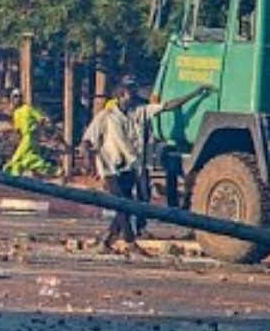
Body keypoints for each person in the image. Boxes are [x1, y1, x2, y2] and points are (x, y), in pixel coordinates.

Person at [80, 82, 209, 255]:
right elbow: (87, 141)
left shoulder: (139, 112)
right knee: (122, 206)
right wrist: (88, 163)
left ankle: (106, 241)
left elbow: (168, 106)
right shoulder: (106, 116)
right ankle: (130, 242)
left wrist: (195, 94)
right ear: (120, 95)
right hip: (110, 168)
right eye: (129, 93)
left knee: (126, 206)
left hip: (130, 167)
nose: (133, 96)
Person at [3, 89, 55, 177]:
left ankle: (14, 176)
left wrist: (43, 125)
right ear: (11, 99)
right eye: (15, 97)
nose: (17, 99)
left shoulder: (27, 108)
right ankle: (53, 171)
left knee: (16, 158)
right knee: (29, 158)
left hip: (31, 136)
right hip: (25, 138)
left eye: (19, 96)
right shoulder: (15, 113)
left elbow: (41, 118)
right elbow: (18, 129)